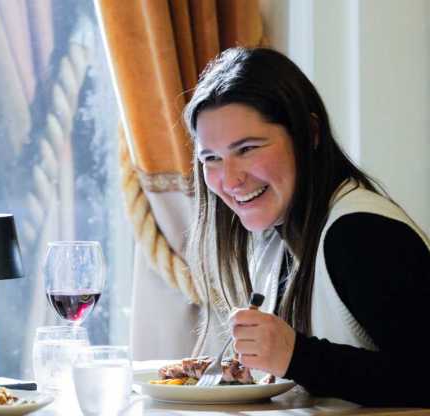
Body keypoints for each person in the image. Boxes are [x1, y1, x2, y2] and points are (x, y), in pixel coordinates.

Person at [184, 47, 429, 407]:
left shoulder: (360, 234)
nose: (230, 179)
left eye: (248, 148)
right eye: (212, 158)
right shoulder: (276, 237)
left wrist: (297, 356)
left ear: (310, 133)